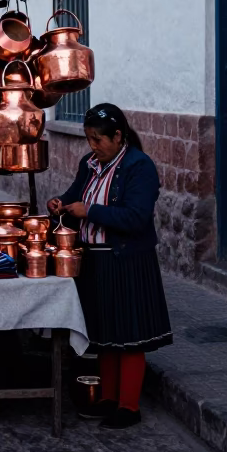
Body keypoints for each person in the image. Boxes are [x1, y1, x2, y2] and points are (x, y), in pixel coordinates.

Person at [49, 103, 172, 430]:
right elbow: (75, 195)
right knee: (104, 334)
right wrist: (60, 204)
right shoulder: (88, 165)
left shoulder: (139, 167)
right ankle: (107, 397)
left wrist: (90, 211)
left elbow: (135, 217)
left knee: (129, 334)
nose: (93, 146)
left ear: (118, 136)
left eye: (98, 140)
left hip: (127, 259)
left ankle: (128, 406)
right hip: (95, 259)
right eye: (89, 139)